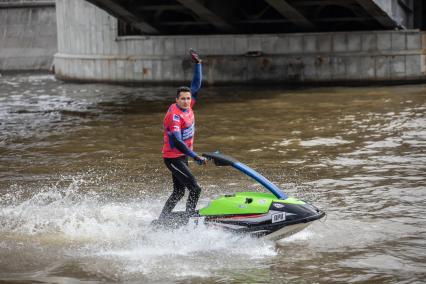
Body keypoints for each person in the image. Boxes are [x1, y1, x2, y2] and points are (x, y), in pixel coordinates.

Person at [159, 49, 207, 219]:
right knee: (195, 188)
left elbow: (196, 85)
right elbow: (178, 142)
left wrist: (198, 64)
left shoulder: (188, 104)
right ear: (176, 100)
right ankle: (189, 220)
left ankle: (163, 219)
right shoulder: (174, 116)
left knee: (179, 192)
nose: (187, 101)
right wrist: (195, 157)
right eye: (183, 99)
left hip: (182, 156)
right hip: (173, 157)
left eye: (188, 98)